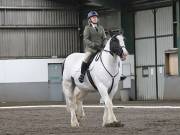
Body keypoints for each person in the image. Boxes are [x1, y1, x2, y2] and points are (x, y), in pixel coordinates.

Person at [78, 11, 107, 83]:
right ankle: (82, 74)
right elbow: (86, 39)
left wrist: (104, 44)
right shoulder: (87, 28)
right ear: (90, 19)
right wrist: (93, 44)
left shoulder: (101, 28)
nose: (95, 19)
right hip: (91, 49)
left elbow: (104, 38)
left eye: (96, 17)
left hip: (100, 49)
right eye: (93, 18)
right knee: (86, 58)